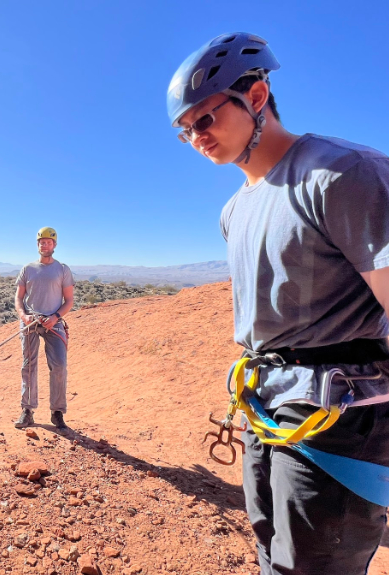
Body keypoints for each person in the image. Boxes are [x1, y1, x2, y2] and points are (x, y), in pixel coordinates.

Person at [168, 33, 389, 574]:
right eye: (185, 130)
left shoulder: (341, 173)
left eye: (205, 119)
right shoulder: (233, 211)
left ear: (258, 96)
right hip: (264, 408)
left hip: (339, 412)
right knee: (272, 556)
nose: (197, 137)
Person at [13, 227, 75, 429]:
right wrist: (24, 316)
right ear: (37, 245)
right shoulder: (27, 269)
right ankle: (27, 411)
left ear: (54, 245)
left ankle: (57, 412)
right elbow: (18, 298)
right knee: (28, 366)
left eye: (48, 242)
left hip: (54, 323)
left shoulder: (63, 270)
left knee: (59, 366)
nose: (44, 245)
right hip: (30, 322)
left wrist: (55, 317)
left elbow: (69, 301)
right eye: (41, 242)